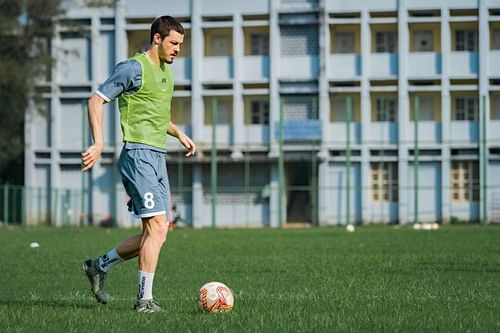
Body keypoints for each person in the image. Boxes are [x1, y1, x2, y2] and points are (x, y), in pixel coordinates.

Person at [80, 15, 195, 313]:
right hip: (137, 155)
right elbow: (96, 100)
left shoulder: (166, 73)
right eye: (173, 42)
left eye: (181, 44)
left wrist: (179, 133)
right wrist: (99, 142)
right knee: (156, 228)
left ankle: (99, 266)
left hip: (159, 156)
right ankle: (144, 301)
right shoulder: (132, 68)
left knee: (158, 232)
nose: (177, 49)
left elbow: (156, 114)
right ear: (157, 38)